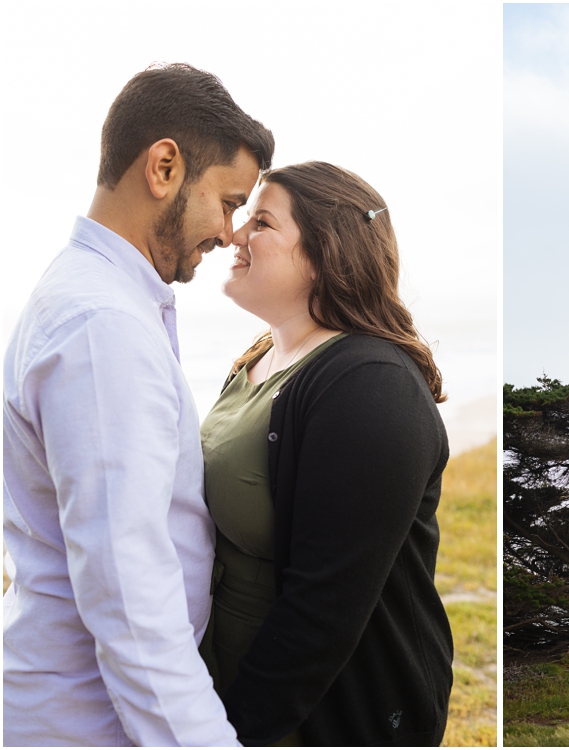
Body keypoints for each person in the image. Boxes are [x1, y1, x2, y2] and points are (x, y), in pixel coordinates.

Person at [3, 63, 274, 746]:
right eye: (229, 201)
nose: (231, 231)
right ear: (163, 168)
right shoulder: (102, 328)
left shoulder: (103, 300)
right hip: (90, 723)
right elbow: (129, 600)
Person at [198, 161, 453, 745]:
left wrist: (235, 734)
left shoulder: (369, 384)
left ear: (323, 253)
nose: (234, 234)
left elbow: (324, 610)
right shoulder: (259, 357)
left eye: (261, 222)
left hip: (320, 720)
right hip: (221, 699)